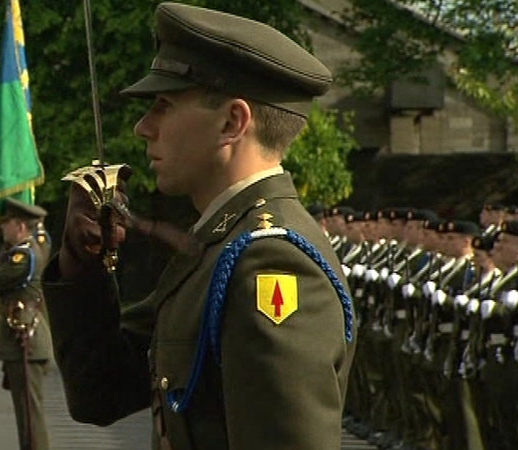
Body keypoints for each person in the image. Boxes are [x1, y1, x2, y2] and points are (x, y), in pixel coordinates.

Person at [42, 3, 356, 449]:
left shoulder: (270, 262)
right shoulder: (220, 249)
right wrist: (82, 263)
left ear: (232, 122)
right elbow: (100, 391)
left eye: (164, 105)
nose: (142, 127)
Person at [0, 197, 52, 450]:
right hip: (25, 337)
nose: (2, 228)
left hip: (25, 340)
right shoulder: (33, 249)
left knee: (30, 418)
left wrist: (5, 253)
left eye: (6, 223)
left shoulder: (21, 258)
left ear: (20, 226)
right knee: (27, 415)